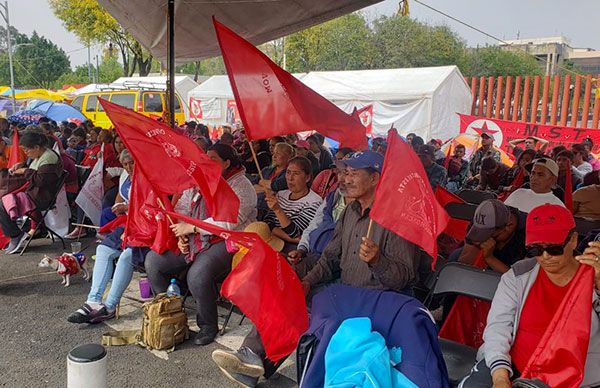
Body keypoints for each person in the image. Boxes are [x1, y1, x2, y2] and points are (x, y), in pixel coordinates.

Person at [211, 150, 419, 387]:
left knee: (317, 318)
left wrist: (377, 260)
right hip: (345, 292)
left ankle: (274, 370)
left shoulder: (396, 220)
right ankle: (252, 359)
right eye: (344, 173)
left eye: (354, 174)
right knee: (290, 294)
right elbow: (330, 257)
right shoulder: (350, 212)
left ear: (375, 178)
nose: (345, 179)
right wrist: (308, 281)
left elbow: (405, 278)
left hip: (377, 302)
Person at [460, 204, 600, 387]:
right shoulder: (518, 276)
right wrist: (500, 377)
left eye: (554, 248)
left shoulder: (593, 277)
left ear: (573, 240)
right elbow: (498, 327)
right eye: (535, 250)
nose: (545, 256)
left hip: (576, 378)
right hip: (515, 366)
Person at [145, 144, 257, 346]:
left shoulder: (241, 185)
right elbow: (182, 209)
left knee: (197, 275)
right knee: (154, 261)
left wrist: (193, 228)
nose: (207, 162)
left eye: (213, 159)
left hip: (228, 240)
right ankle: (170, 314)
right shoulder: (198, 179)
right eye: (205, 158)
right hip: (194, 236)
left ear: (227, 163)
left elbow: (231, 220)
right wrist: (181, 235)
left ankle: (208, 326)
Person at [0, 131, 63, 254]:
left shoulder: (49, 158)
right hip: (33, 193)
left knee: (2, 205)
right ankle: (15, 235)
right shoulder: (40, 154)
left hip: (41, 197)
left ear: (36, 147)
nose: (26, 153)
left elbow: (41, 181)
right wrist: (21, 165)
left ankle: (15, 235)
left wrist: (25, 171)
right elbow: (32, 167)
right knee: (3, 201)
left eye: (27, 150)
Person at [288, 164, 353, 278]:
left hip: (332, 264)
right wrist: (302, 249)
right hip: (311, 252)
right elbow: (314, 224)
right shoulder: (333, 197)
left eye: (348, 174)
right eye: (340, 172)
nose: (342, 179)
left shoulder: (362, 209)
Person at [262, 156, 323, 245]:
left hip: (290, 248)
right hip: (271, 241)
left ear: (307, 178)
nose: (290, 178)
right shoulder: (281, 194)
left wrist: (278, 210)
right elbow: (267, 222)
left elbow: (295, 233)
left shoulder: (314, 202)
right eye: (288, 172)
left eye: (296, 173)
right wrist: (290, 238)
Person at [454, 199, 526, 273]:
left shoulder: (528, 235)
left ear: (509, 226)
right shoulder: (483, 219)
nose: (485, 238)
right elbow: (463, 264)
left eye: (490, 234)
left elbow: (519, 281)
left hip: (510, 273)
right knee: (455, 257)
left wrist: (490, 258)